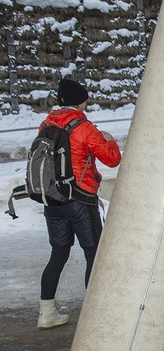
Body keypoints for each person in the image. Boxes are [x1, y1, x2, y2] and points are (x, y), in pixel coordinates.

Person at [37, 78, 122, 330]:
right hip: (80, 200)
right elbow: (112, 159)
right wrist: (109, 140)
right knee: (93, 254)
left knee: (58, 254)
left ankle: (46, 312)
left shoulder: (46, 124)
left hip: (52, 199)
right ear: (81, 101)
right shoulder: (84, 127)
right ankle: (93, 316)